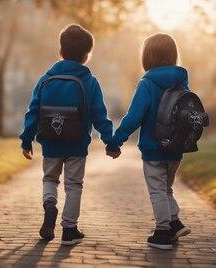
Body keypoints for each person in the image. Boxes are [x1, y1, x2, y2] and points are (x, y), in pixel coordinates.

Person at [19, 24, 121, 246]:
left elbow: (33, 112)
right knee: (74, 185)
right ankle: (69, 229)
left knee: (50, 179)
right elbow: (99, 115)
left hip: (51, 143)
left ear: (60, 51)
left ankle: (49, 205)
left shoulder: (45, 80)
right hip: (77, 145)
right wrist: (110, 142)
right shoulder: (90, 82)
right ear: (86, 56)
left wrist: (26, 139)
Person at [111, 33, 191, 250]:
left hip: (154, 149)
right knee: (166, 189)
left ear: (147, 57)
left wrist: (116, 141)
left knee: (157, 191)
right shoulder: (181, 82)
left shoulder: (147, 84)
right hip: (175, 149)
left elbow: (134, 116)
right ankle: (175, 223)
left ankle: (163, 232)